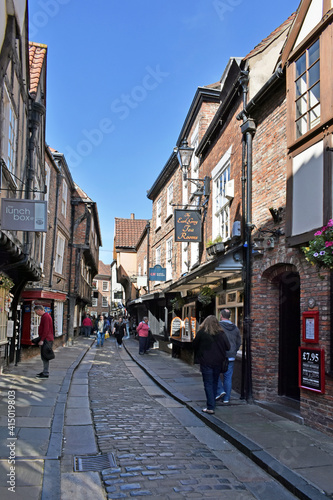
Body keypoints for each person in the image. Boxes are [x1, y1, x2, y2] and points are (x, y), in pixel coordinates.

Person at [193, 315, 230, 414]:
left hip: (206, 362)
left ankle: (210, 406)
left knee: (208, 383)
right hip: (218, 362)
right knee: (214, 383)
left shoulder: (202, 333)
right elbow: (228, 347)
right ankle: (212, 404)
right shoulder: (221, 334)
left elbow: (194, 345)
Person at [215, 308, 241, 404]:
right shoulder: (235, 328)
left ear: (221, 316)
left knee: (215, 374)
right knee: (228, 377)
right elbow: (239, 342)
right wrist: (234, 351)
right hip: (231, 356)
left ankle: (220, 391)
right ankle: (226, 398)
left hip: (219, 355)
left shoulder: (217, 327)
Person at [34, 305, 54, 379]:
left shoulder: (45, 317)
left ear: (39, 310)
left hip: (47, 339)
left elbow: (46, 329)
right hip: (48, 338)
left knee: (45, 356)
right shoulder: (46, 316)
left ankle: (45, 373)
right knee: (44, 356)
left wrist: (42, 340)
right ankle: (45, 371)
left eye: (36, 312)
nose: (36, 314)